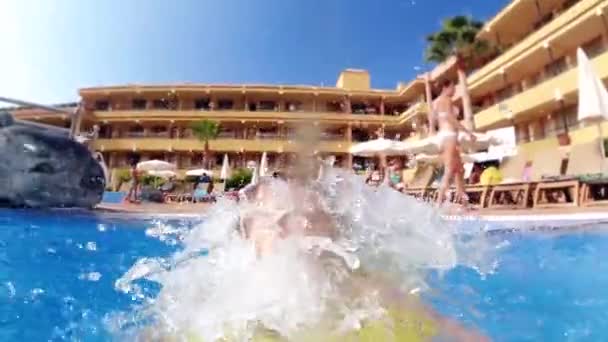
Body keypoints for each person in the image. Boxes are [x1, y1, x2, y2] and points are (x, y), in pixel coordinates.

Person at [433, 80, 476, 205]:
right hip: (449, 135)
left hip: (446, 136)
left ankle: (464, 203)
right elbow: (450, 118)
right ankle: (438, 203)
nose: (454, 91)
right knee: (450, 169)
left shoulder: (437, 102)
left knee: (459, 170)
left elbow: (437, 119)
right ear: (445, 88)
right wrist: (468, 132)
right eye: (452, 88)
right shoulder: (446, 100)